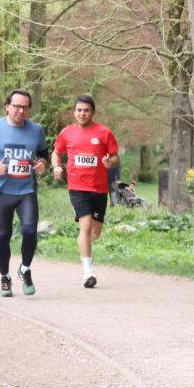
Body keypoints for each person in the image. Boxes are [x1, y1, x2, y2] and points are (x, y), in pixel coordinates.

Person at [0, 89, 49, 297]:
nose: (20, 111)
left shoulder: (36, 130)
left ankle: (25, 269)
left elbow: (43, 153)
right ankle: (5, 277)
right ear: (7, 106)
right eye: (16, 106)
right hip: (3, 191)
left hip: (26, 191)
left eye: (24, 107)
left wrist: (41, 164)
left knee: (30, 231)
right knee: (3, 235)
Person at [51, 95, 120, 288]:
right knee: (86, 226)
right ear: (74, 112)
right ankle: (87, 272)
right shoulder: (67, 133)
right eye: (79, 110)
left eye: (86, 110)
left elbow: (116, 159)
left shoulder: (104, 133)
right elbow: (56, 152)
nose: (82, 114)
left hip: (99, 189)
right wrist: (56, 167)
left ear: (93, 112)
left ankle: (85, 246)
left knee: (95, 233)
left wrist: (109, 162)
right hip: (77, 188)